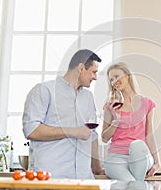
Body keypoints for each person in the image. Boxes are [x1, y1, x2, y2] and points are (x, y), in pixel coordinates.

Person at [22, 49, 104, 179]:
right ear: (81, 68)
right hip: (51, 177)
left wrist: (97, 168)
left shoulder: (88, 97)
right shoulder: (44, 90)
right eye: (94, 72)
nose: (95, 77)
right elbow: (31, 130)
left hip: (84, 179)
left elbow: (92, 135)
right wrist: (73, 131)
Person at [101, 62, 161, 181]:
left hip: (141, 156)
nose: (114, 81)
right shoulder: (111, 106)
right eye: (111, 79)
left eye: (117, 76)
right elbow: (104, 138)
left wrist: (157, 162)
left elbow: (150, 135)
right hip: (116, 158)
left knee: (137, 145)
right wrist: (116, 121)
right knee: (132, 183)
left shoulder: (147, 103)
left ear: (128, 76)